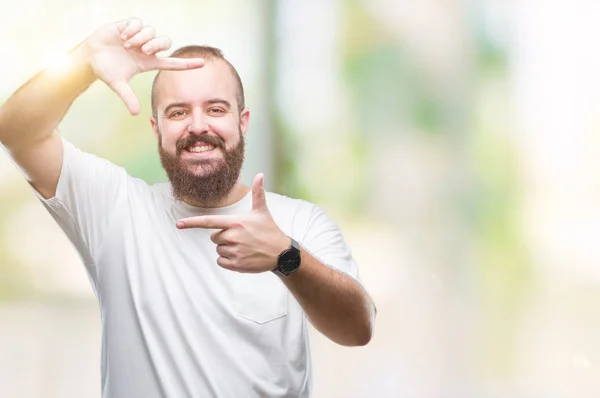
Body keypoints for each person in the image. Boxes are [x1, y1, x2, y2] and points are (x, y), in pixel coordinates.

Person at [0, 18, 376, 398]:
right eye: (178, 112)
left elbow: (358, 329)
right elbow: (16, 132)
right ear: (156, 128)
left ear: (242, 122)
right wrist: (84, 61)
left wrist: (286, 257)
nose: (198, 126)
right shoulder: (115, 209)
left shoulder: (300, 223)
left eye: (215, 109)